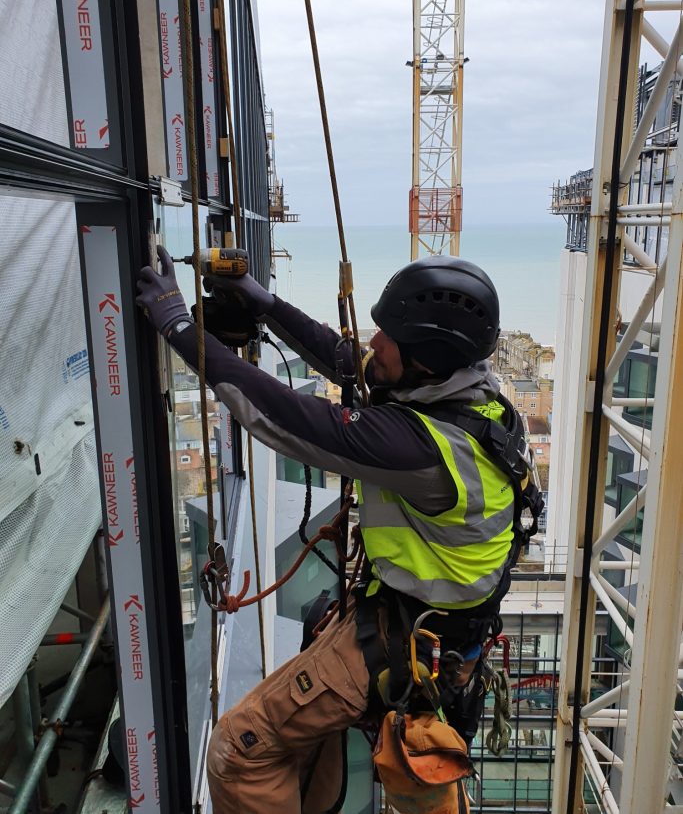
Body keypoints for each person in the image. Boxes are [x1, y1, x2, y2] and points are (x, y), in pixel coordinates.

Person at [136, 247, 532, 814]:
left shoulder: (423, 448)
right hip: (421, 627)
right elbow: (350, 362)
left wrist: (179, 327)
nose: (375, 341)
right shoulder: (472, 400)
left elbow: (285, 416)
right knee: (304, 745)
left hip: (408, 641)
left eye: (389, 335)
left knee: (241, 750)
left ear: (425, 358)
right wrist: (265, 304)